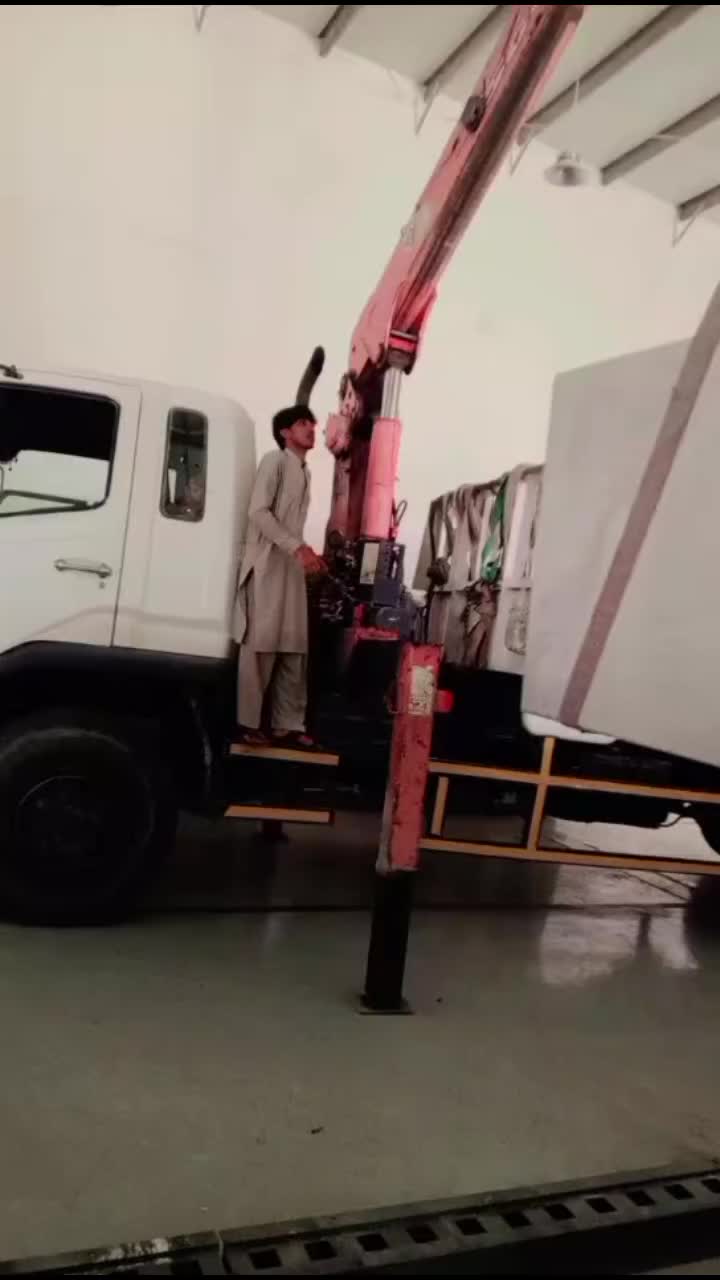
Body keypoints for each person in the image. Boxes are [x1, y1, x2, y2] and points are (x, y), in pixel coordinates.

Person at [234, 404, 326, 746]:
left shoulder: (305, 471)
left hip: (291, 566)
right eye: (303, 423)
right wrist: (296, 547)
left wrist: (307, 553)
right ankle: (248, 723)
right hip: (267, 564)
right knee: (261, 644)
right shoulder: (274, 461)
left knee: (294, 645)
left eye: (313, 424)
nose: (311, 429)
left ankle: (288, 724)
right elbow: (258, 512)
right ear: (285, 432)